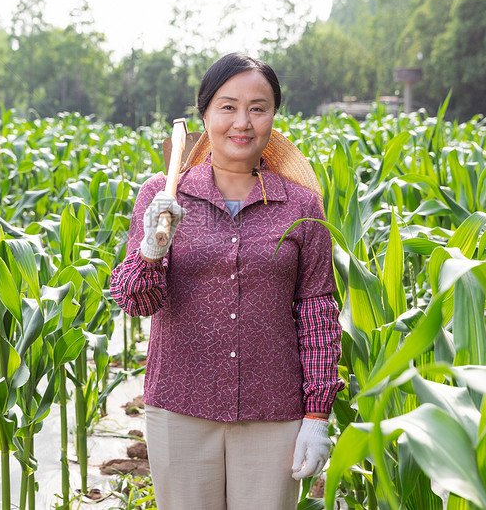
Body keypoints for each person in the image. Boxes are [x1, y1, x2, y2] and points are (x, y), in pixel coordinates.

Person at [109, 52, 344, 510]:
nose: (243, 122)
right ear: (205, 114)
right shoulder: (165, 195)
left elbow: (317, 312)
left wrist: (317, 415)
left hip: (273, 412)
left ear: (274, 117)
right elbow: (135, 300)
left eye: (258, 108)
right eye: (228, 106)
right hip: (180, 407)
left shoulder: (301, 206)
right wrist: (152, 250)